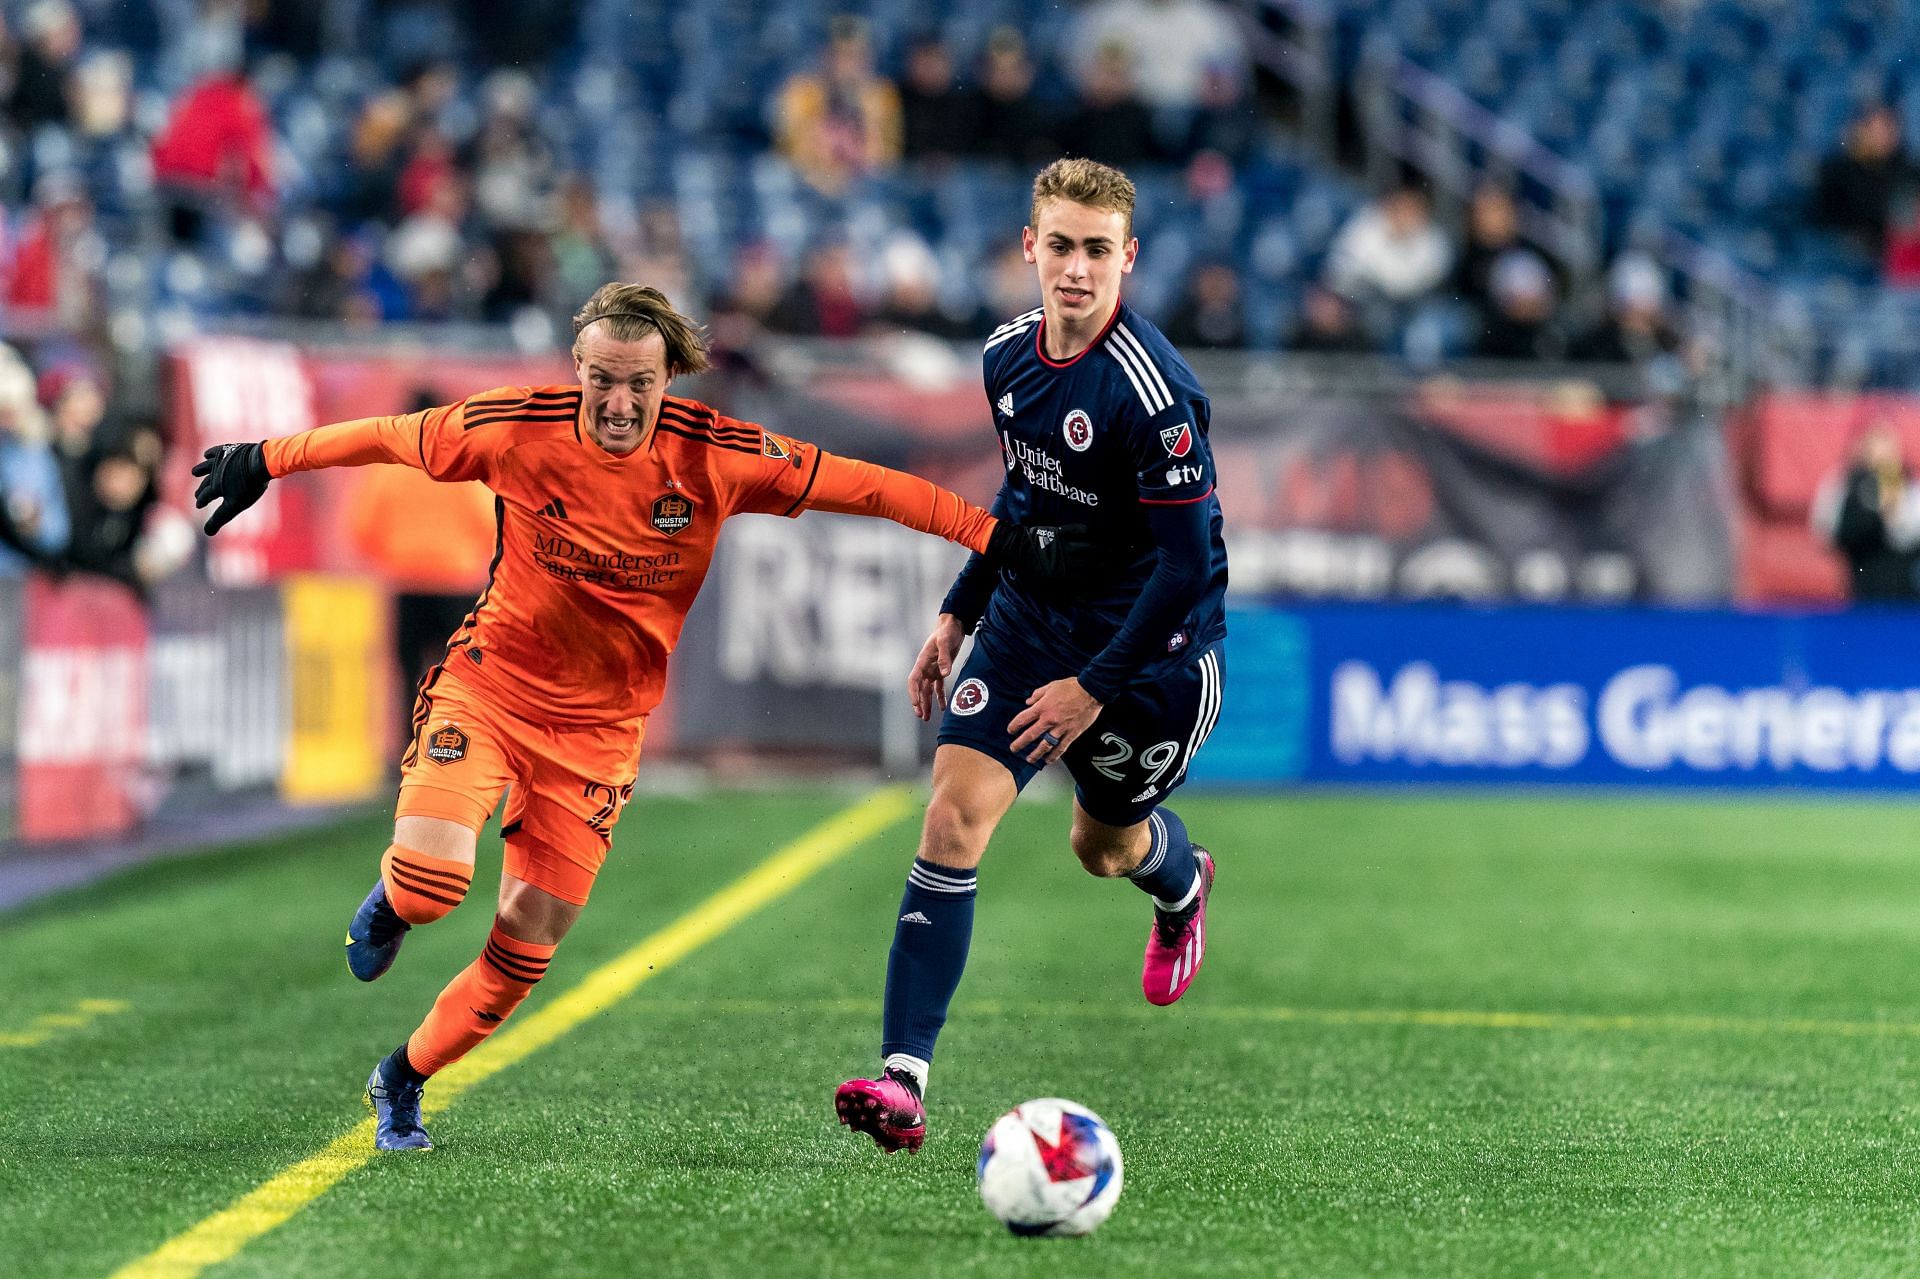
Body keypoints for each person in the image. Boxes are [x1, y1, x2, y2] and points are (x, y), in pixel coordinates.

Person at [191, 282, 1097, 1152]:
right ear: (576, 368)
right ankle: (393, 904)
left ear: (668, 381)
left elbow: (868, 487)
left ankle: (402, 1077)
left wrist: (1001, 539)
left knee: (527, 943)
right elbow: (388, 436)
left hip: (600, 735)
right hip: (492, 689)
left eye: (640, 384)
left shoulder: (717, 453)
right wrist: (263, 458)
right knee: (434, 883)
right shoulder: (513, 427)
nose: (619, 402)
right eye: (602, 380)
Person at [834, 158, 1229, 1154]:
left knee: (1100, 850)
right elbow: (1023, 504)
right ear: (1029, 248)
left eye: (1099, 250)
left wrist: (1093, 690)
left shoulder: (1156, 395)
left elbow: (1184, 571)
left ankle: (1179, 882)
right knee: (952, 816)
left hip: (1151, 658)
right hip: (1029, 619)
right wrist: (958, 611)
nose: (1078, 268)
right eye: (1061, 245)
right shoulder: (1007, 356)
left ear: (1128, 258)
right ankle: (904, 1081)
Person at [1813, 425, 1920, 603]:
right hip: (1861, 569)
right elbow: (1826, 529)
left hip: (1902, 577)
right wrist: (1868, 513)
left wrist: (1892, 512)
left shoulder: (1909, 486)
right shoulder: (1844, 482)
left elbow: (1906, 534)